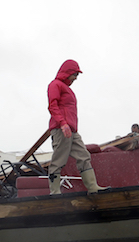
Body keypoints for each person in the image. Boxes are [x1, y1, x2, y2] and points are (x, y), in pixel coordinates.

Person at [47, 59, 106, 195]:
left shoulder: (66, 89)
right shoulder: (55, 85)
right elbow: (52, 105)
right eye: (74, 75)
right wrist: (62, 123)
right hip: (61, 129)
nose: (75, 78)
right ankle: (54, 192)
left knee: (84, 156)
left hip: (72, 130)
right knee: (59, 159)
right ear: (67, 73)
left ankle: (93, 187)